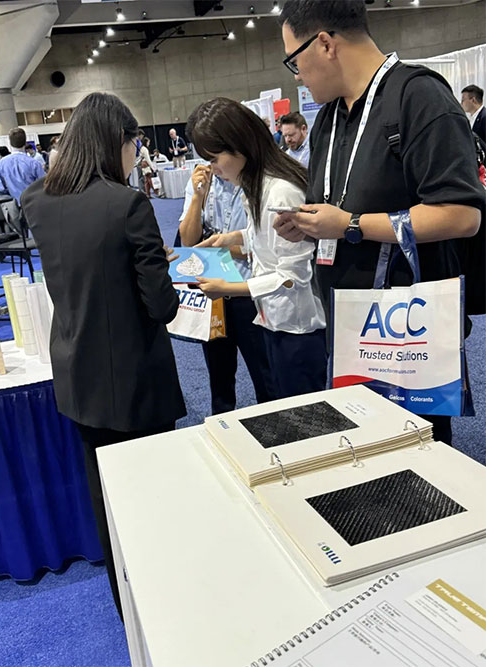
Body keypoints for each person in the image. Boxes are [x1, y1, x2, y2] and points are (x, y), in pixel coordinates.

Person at [274, 0, 483, 445]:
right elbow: (334, 206)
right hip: (349, 327)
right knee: (357, 454)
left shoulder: (419, 97)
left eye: (295, 60)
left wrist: (351, 225)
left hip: (408, 333)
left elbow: (462, 214)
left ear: (325, 44)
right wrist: (309, 225)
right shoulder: (328, 117)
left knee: (415, 460)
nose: (297, 75)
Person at [21, 92, 186, 620]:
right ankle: (165, 615)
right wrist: (158, 269)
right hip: (135, 382)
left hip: (77, 374)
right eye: (134, 143)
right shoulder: (126, 204)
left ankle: (128, 613)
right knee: (153, 504)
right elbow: (160, 306)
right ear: (118, 141)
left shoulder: (36, 199)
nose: (136, 155)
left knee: (107, 504)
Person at [187, 97, 327, 400]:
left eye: (215, 158)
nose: (213, 168)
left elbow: (291, 276)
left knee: (302, 411)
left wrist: (229, 288)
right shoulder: (257, 186)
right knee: (280, 402)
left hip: (297, 327)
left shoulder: (280, 192)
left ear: (240, 146)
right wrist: (230, 239)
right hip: (274, 319)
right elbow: (265, 240)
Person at [179, 163, 274, 413]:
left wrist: (217, 245)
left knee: (266, 378)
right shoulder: (201, 180)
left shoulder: (257, 180)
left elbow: (264, 246)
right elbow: (188, 240)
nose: (213, 162)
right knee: (219, 381)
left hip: (249, 291)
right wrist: (197, 196)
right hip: (213, 295)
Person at [0, 127, 45, 204]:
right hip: (33, 204)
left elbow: (1, 190)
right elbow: (44, 185)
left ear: (10, 143)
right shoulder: (34, 163)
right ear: (25, 142)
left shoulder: (2, 164)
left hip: (13, 206)